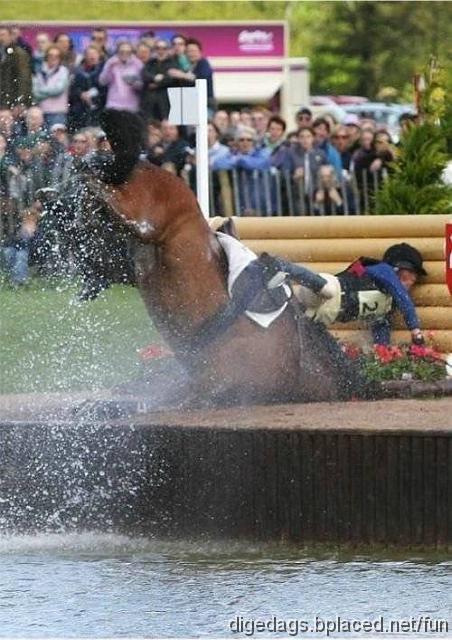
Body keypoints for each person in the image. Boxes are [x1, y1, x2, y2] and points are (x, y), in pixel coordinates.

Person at [261, 242, 426, 346]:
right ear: (396, 268)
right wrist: (415, 330)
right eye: (409, 273)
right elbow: (401, 295)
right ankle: (282, 266)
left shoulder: (387, 307)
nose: (412, 280)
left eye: (415, 277)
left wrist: (382, 356)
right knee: (324, 289)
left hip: (324, 315)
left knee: (301, 328)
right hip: (330, 291)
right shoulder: (384, 270)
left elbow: (381, 330)